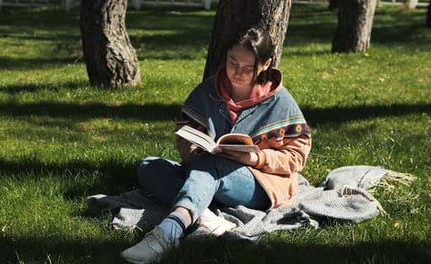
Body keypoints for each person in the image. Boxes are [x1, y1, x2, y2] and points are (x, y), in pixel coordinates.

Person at [121, 24, 312, 263]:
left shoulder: (280, 101)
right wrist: (191, 150)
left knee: (209, 166)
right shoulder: (209, 90)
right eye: (232, 62)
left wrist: (254, 158)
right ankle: (206, 219)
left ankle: (168, 232)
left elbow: (297, 156)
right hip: (207, 172)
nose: (237, 72)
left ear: (266, 64)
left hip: (259, 183)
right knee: (149, 166)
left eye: (248, 68)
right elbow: (185, 133)